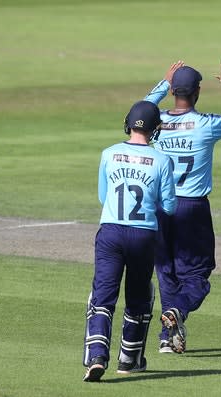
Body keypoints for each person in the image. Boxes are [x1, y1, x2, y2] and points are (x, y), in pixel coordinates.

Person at [143, 59, 221, 353]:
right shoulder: (206, 124)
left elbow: (137, 113)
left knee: (166, 271)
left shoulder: (157, 122)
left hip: (159, 208)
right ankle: (178, 310)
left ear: (173, 91)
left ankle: (167, 338)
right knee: (198, 275)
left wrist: (161, 85)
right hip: (191, 208)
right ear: (198, 92)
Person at [82, 101, 177, 381]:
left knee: (102, 296)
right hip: (144, 235)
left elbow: (103, 196)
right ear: (154, 129)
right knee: (139, 297)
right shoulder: (162, 160)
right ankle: (129, 360)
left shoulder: (109, 153)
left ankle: (97, 356)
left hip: (111, 233)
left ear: (129, 123)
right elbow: (170, 207)